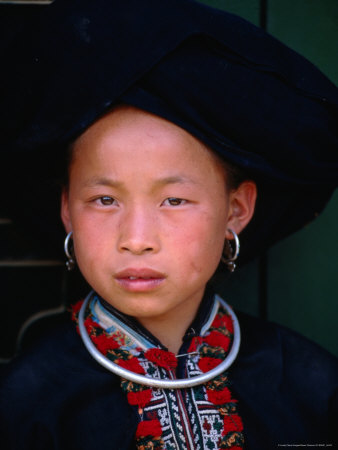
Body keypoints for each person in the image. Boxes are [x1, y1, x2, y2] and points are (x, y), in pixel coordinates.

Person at [0, 0, 337, 449]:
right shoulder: (25, 403)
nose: (136, 240)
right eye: (104, 199)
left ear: (235, 210)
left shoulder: (308, 385)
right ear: (66, 209)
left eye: (174, 200)